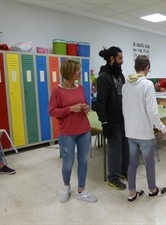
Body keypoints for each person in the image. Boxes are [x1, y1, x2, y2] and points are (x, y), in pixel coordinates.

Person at [48, 59, 97, 203]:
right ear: (69, 72)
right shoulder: (57, 90)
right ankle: (66, 186)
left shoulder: (80, 88)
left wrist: (86, 107)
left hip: (84, 130)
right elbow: (52, 111)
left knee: (83, 161)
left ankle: (81, 190)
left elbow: (85, 103)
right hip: (67, 133)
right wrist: (70, 109)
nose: (80, 72)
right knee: (68, 163)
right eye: (77, 70)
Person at [122, 55, 166, 203]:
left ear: (135, 67)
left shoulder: (125, 85)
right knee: (149, 163)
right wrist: (163, 129)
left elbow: (125, 109)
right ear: (147, 67)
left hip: (130, 132)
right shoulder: (147, 85)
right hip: (144, 133)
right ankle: (153, 190)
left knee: (132, 163)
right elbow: (153, 113)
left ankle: (132, 193)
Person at [95, 46, 129, 190]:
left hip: (123, 118)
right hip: (112, 120)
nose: (122, 61)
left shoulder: (119, 75)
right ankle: (113, 177)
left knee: (125, 146)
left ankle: (123, 171)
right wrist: (104, 122)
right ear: (112, 59)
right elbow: (100, 103)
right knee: (114, 149)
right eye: (120, 58)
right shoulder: (103, 78)